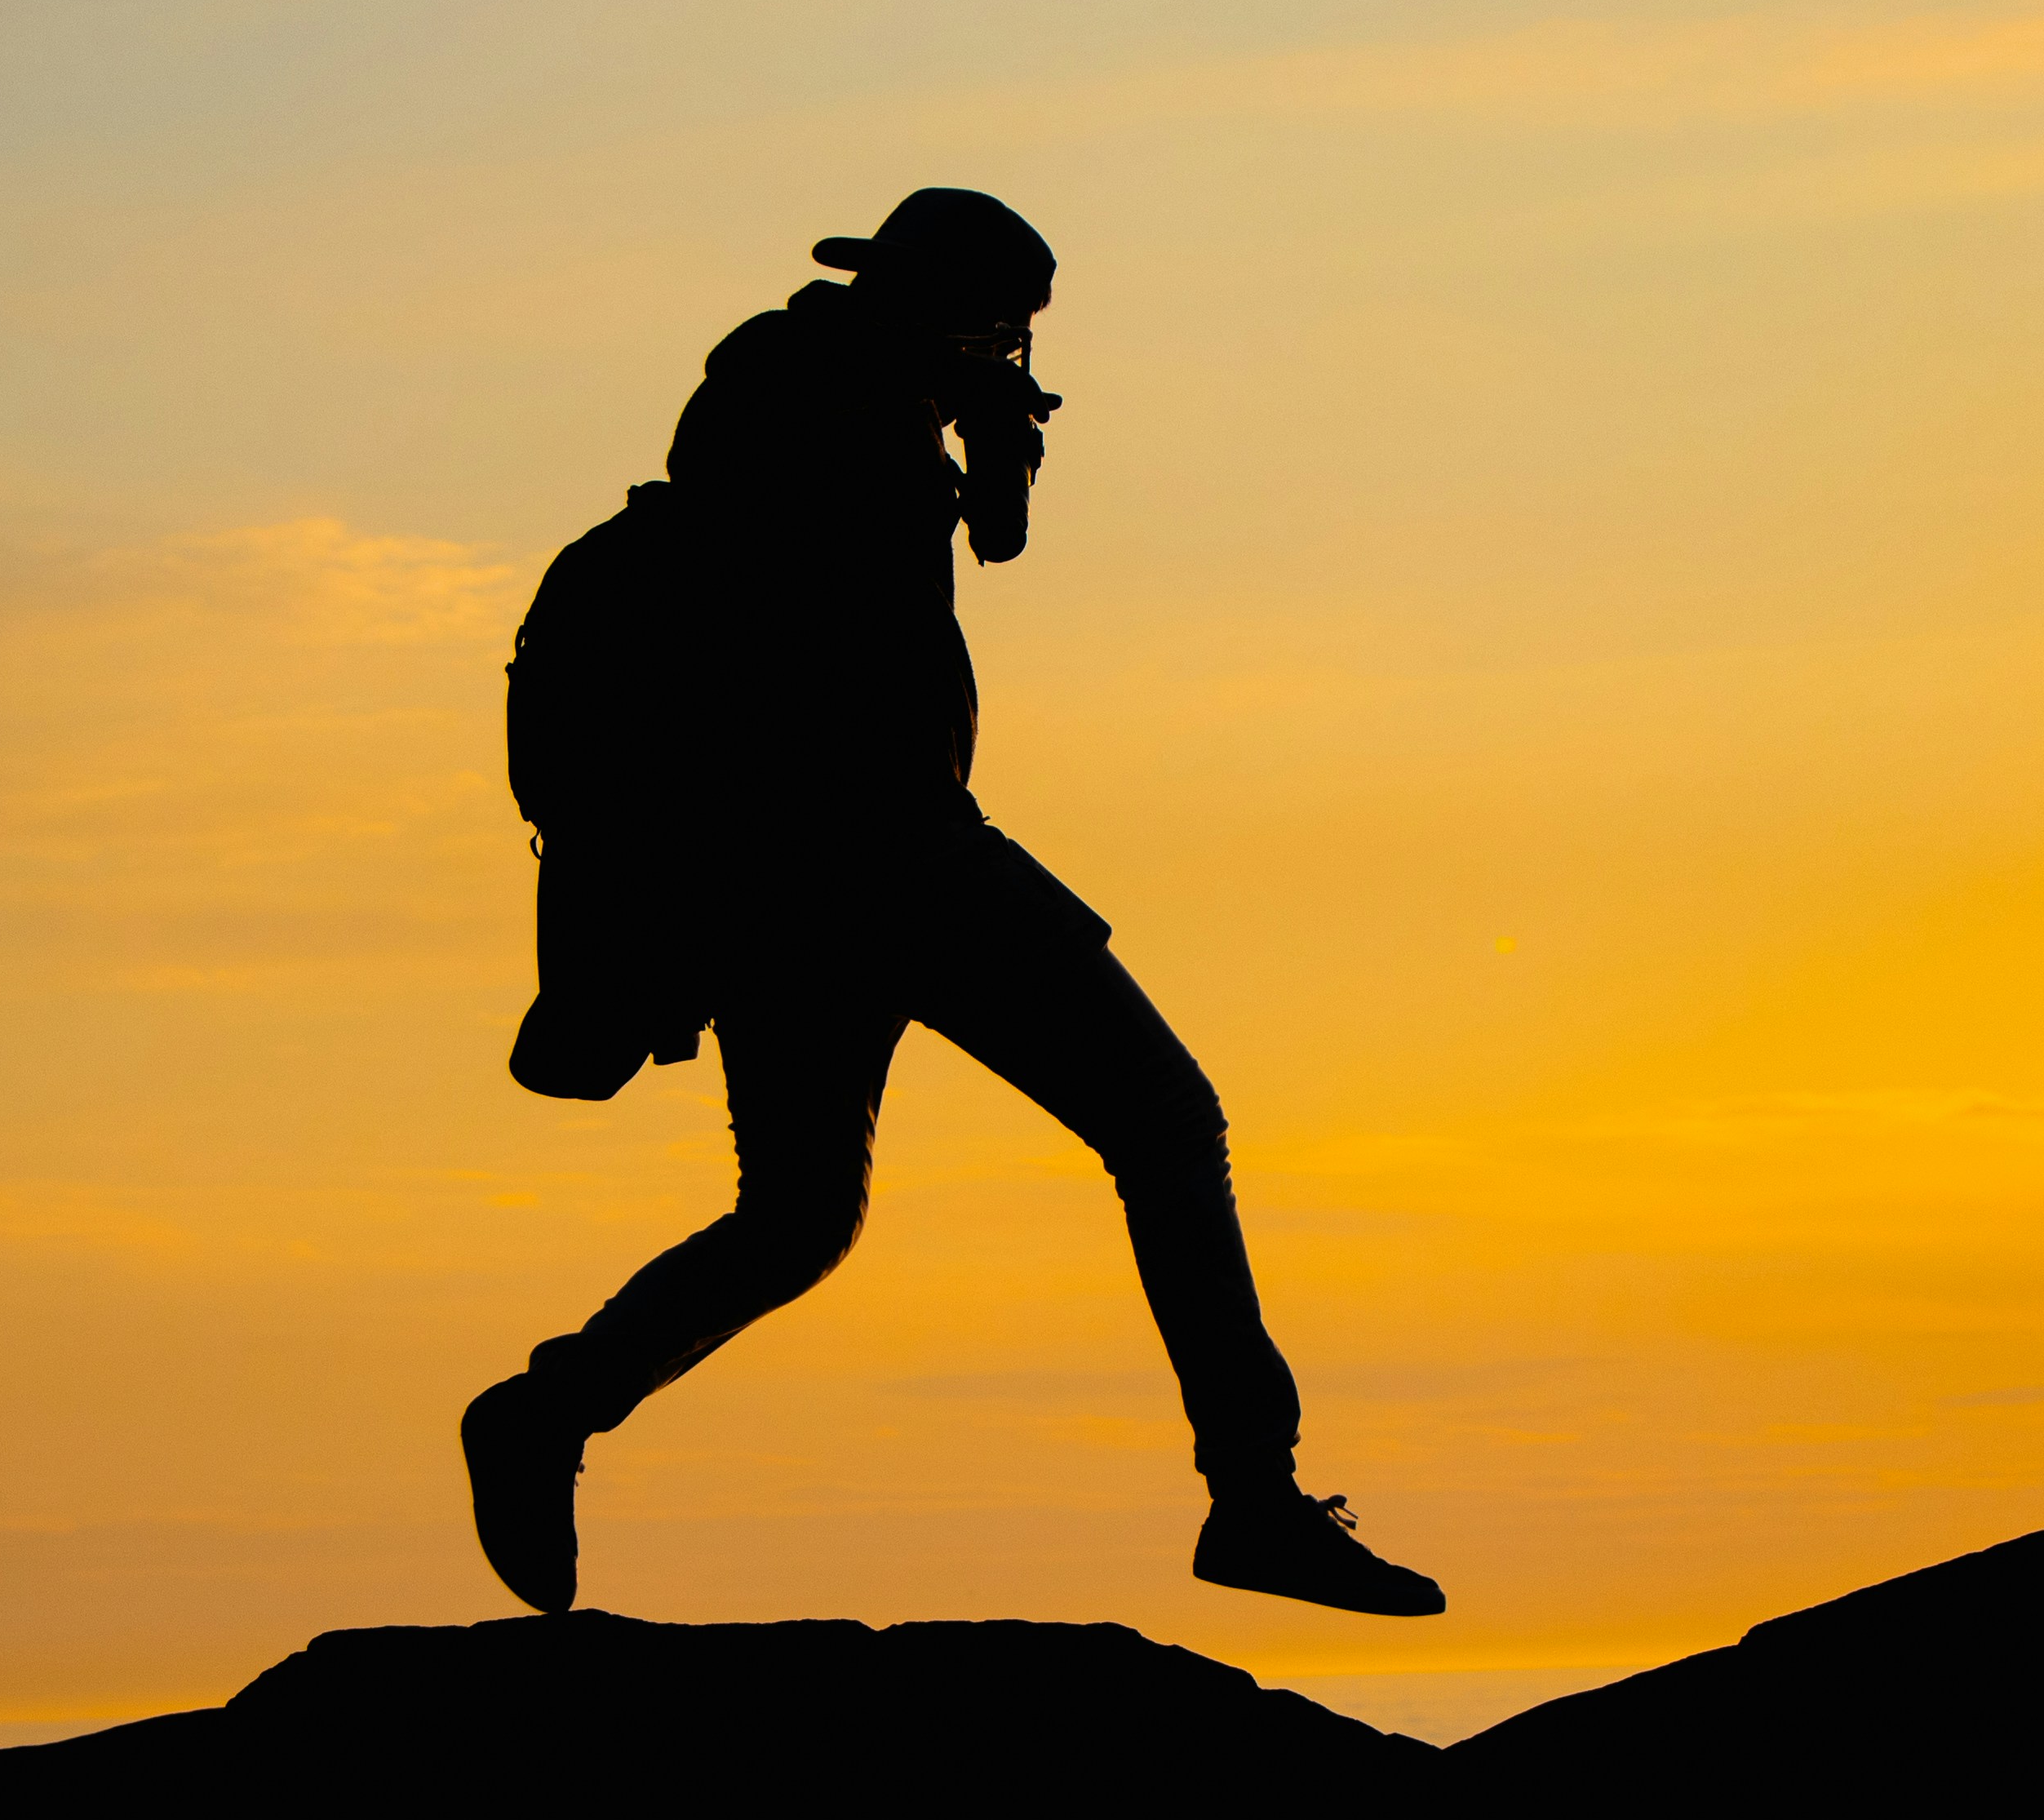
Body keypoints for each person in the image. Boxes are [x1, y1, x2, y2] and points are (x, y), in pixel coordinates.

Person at [461, 188, 1445, 1622]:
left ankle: (547, 1414)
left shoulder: (860, 393)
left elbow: (991, 547)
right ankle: (1255, 1500)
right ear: (941, 302)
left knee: (796, 1220)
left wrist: (986, 441)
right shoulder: (803, 391)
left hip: (797, 888)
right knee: (1166, 1123)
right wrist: (949, 421)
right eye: (1004, 326)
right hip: (887, 858)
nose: (1014, 350)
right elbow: (827, 576)